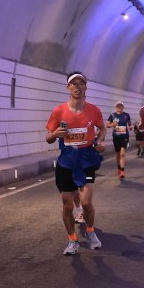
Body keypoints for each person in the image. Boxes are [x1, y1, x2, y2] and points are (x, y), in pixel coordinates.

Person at [45, 71, 106, 255]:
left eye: (81, 84)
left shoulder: (94, 110)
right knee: (67, 205)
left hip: (86, 160)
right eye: (74, 84)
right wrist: (55, 134)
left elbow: (102, 128)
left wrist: (100, 141)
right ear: (68, 87)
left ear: (86, 87)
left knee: (86, 202)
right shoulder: (59, 111)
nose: (78, 87)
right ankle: (72, 240)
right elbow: (48, 138)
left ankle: (90, 231)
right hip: (66, 161)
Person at [107, 101, 132, 180]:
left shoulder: (126, 115)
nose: (119, 107)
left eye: (121, 106)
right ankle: (119, 168)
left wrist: (130, 127)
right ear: (116, 107)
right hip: (116, 137)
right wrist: (112, 125)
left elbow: (130, 124)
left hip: (125, 136)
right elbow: (107, 125)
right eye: (118, 106)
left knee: (122, 154)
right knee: (118, 154)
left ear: (123, 107)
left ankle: (122, 171)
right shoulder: (112, 115)